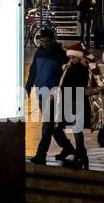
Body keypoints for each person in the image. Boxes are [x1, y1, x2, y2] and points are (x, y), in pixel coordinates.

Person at [25, 27, 74, 165]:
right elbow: (33, 71)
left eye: (47, 41)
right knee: (52, 126)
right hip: (41, 93)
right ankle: (68, 147)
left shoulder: (61, 55)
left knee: (47, 125)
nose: (44, 44)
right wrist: (28, 89)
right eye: (42, 41)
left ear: (53, 40)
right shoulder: (38, 52)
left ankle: (41, 154)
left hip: (53, 95)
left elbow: (66, 77)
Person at [57, 47, 91, 169]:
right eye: (70, 57)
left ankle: (80, 151)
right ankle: (80, 151)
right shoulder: (69, 68)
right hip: (69, 99)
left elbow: (78, 84)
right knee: (74, 128)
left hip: (76, 100)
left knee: (76, 128)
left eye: (73, 57)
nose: (71, 59)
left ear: (79, 57)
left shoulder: (81, 69)